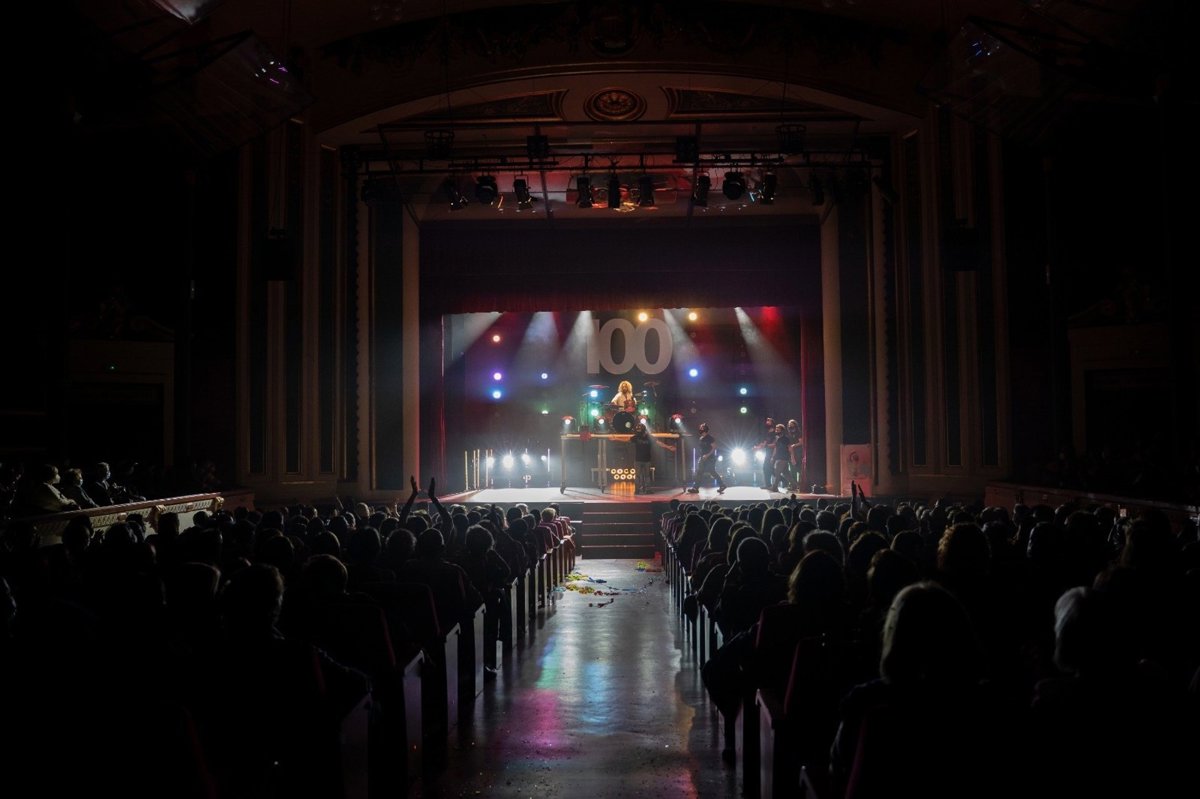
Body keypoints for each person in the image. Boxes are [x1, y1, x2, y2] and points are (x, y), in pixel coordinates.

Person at [631, 421, 676, 494]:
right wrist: (616, 438)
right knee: (639, 476)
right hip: (639, 460)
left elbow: (659, 443)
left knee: (645, 476)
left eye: (639, 429)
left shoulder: (649, 437)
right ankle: (638, 490)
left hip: (646, 460)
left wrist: (668, 447)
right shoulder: (636, 437)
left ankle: (646, 490)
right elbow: (626, 439)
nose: (638, 431)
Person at [689, 422, 726, 494]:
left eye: (701, 428)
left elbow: (714, 447)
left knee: (712, 471)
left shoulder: (710, 438)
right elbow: (702, 449)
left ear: (705, 429)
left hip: (710, 458)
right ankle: (695, 488)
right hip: (703, 458)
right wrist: (701, 457)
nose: (700, 429)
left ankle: (722, 485)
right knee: (699, 472)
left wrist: (707, 455)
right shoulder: (701, 438)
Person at [753, 417, 776, 488]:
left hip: (774, 453)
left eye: (768, 421)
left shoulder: (775, 433)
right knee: (766, 468)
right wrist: (757, 448)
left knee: (770, 469)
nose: (767, 422)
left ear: (772, 423)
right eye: (766, 421)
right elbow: (764, 443)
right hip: (768, 453)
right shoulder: (768, 433)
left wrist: (766, 446)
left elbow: (775, 444)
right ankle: (768, 484)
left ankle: (783, 480)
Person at [769, 423, 792, 492]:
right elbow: (775, 448)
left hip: (783, 458)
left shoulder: (786, 439)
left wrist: (791, 457)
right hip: (778, 458)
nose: (776, 431)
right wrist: (772, 457)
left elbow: (789, 448)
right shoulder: (777, 439)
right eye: (776, 430)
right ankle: (794, 485)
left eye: (778, 430)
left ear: (782, 430)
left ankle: (775, 487)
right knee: (786, 473)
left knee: (777, 472)